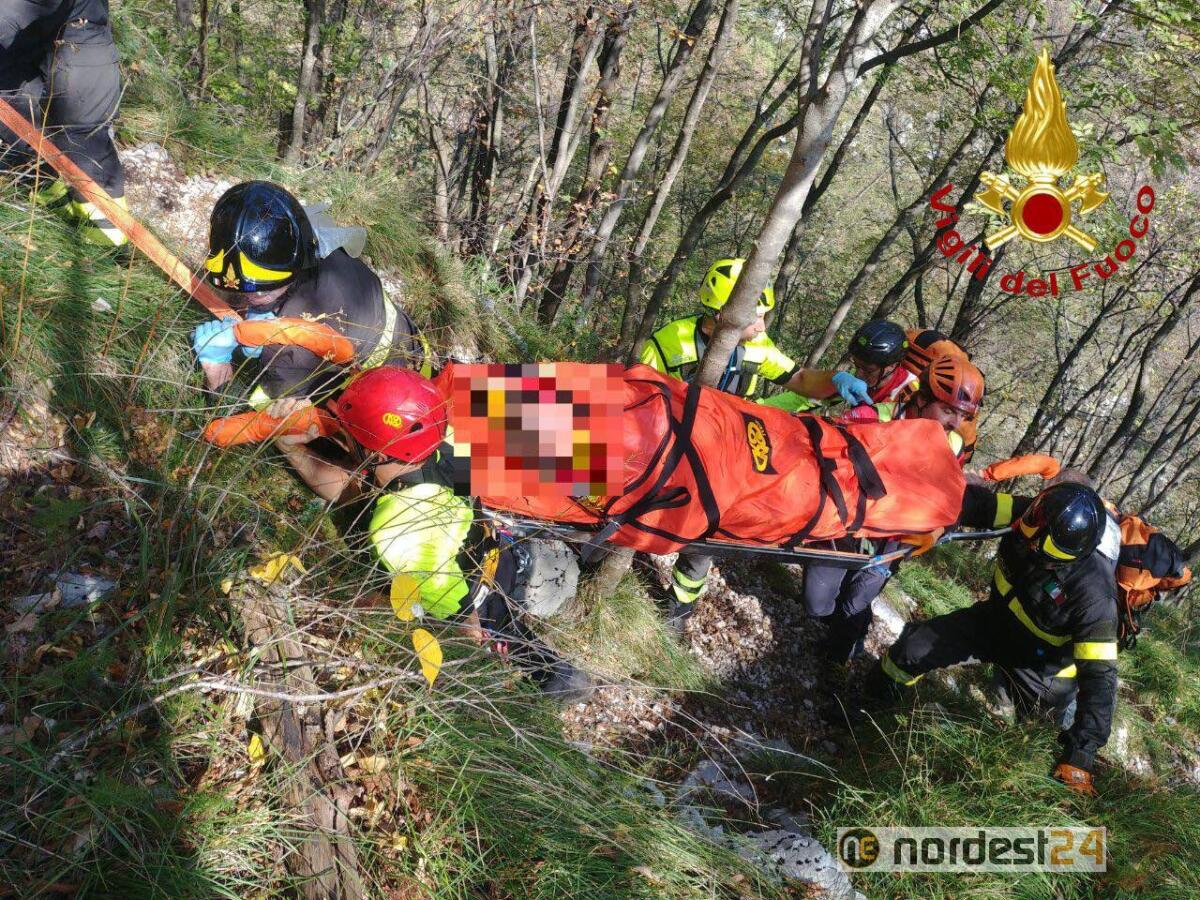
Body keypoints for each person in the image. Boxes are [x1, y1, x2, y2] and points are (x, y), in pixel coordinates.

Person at [273, 366, 592, 699]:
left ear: (375, 453)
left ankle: (557, 677)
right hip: (499, 555)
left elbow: (460, 619)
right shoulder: (446, 441)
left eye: (349, 432)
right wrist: (296, 447)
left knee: (493, 625)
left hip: (474, 598)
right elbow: (360, 484)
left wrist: (341, 606)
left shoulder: (396, 530)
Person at [638, 257, 873, 630]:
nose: (762, 325)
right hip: (668, 450)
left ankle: (677, 609)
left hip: (725, 456)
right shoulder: (671, 344)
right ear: (722, 313)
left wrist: (835, 381)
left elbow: (798, 379)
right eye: (755, 316)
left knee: (705, 534)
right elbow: (639, 403)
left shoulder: (757, 347)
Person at [869, 482, 1120, 796]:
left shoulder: (1096, 596)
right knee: (912, 648)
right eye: (1029, 532)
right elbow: (974, 502)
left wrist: (1081, 755)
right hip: (992, 624)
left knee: (1032, 747)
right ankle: (868, 706)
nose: (1030, 545)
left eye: (1044, 549)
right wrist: (928, 516)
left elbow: (1100, 678)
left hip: (1041, 673)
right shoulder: (1033, 514)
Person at [191, 181, 433, 420]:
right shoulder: (308, 240)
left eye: (261, 290)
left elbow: (251, 426)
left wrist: (217, 366)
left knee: (452, 454)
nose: (249, 297)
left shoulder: (291, 355)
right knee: (470, 421)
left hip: (401, 409)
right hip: (419, 350)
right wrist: (267, 308)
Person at [804, 354, 985, 665]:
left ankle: (836, 660)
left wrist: (939, 529)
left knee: (853, 608)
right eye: (947, 411)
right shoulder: (880, 417)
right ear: (923, 398)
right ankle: (844, 627)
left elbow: (951, 498)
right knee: (816, 603)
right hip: (846, 526)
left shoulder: (951, 445)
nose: (955, 424)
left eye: (962, 416)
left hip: (890, 541)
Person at [1, 0, 128, 248]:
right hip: (22, 50)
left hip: (81, 40)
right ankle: (48, 194)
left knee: (85, 144)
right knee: (19, 122)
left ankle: (108, 251)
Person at [762, 319, 917, 413]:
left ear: (892, 366)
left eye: (868, 370)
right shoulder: (855, 383)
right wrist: (758, 408)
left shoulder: (911, 392)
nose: (859, 374)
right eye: (857, 366)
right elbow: (806, 398)